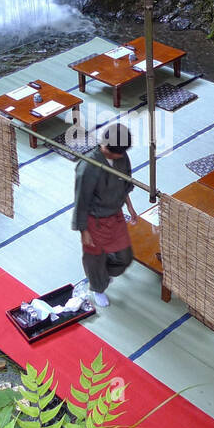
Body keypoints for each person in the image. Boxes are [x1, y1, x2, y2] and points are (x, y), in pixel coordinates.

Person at [72, 123, 138, 308]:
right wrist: (83, 230)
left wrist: (130, 208)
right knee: (94, 258)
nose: (122, 156)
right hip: (94, 220)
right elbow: (81, 201)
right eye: (119, 153)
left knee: (125, 257)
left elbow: (124, 184)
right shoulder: (87, 167)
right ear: (106, 147)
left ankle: (103, 275)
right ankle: (98, 287)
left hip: (115, 214)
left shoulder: (121, 157)